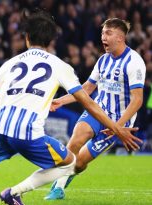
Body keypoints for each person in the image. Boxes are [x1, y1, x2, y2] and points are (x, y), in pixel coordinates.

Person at [0, 12, 142, 205]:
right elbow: (88, 100)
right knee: (71, 163)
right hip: (29, 132)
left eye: (107, 33)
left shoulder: (11, 63)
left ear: (26, 37)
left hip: (0, 126)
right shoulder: (60, 65)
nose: (103, 38)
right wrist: (117, 130)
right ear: (50, 41)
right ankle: (15, 192)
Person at [45, 18, 146, 200]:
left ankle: (68, 175)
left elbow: (137, 100)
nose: (103, 37)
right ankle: (57, 189)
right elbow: (87, 88)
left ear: (120, 38)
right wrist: (62, 100)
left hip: (119, 120)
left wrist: (118, 126)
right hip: (97, 111)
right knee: (75, 141)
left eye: (108, 33)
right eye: (102, 33)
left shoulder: (134, 62)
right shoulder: (103, 60)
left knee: (80, 163)